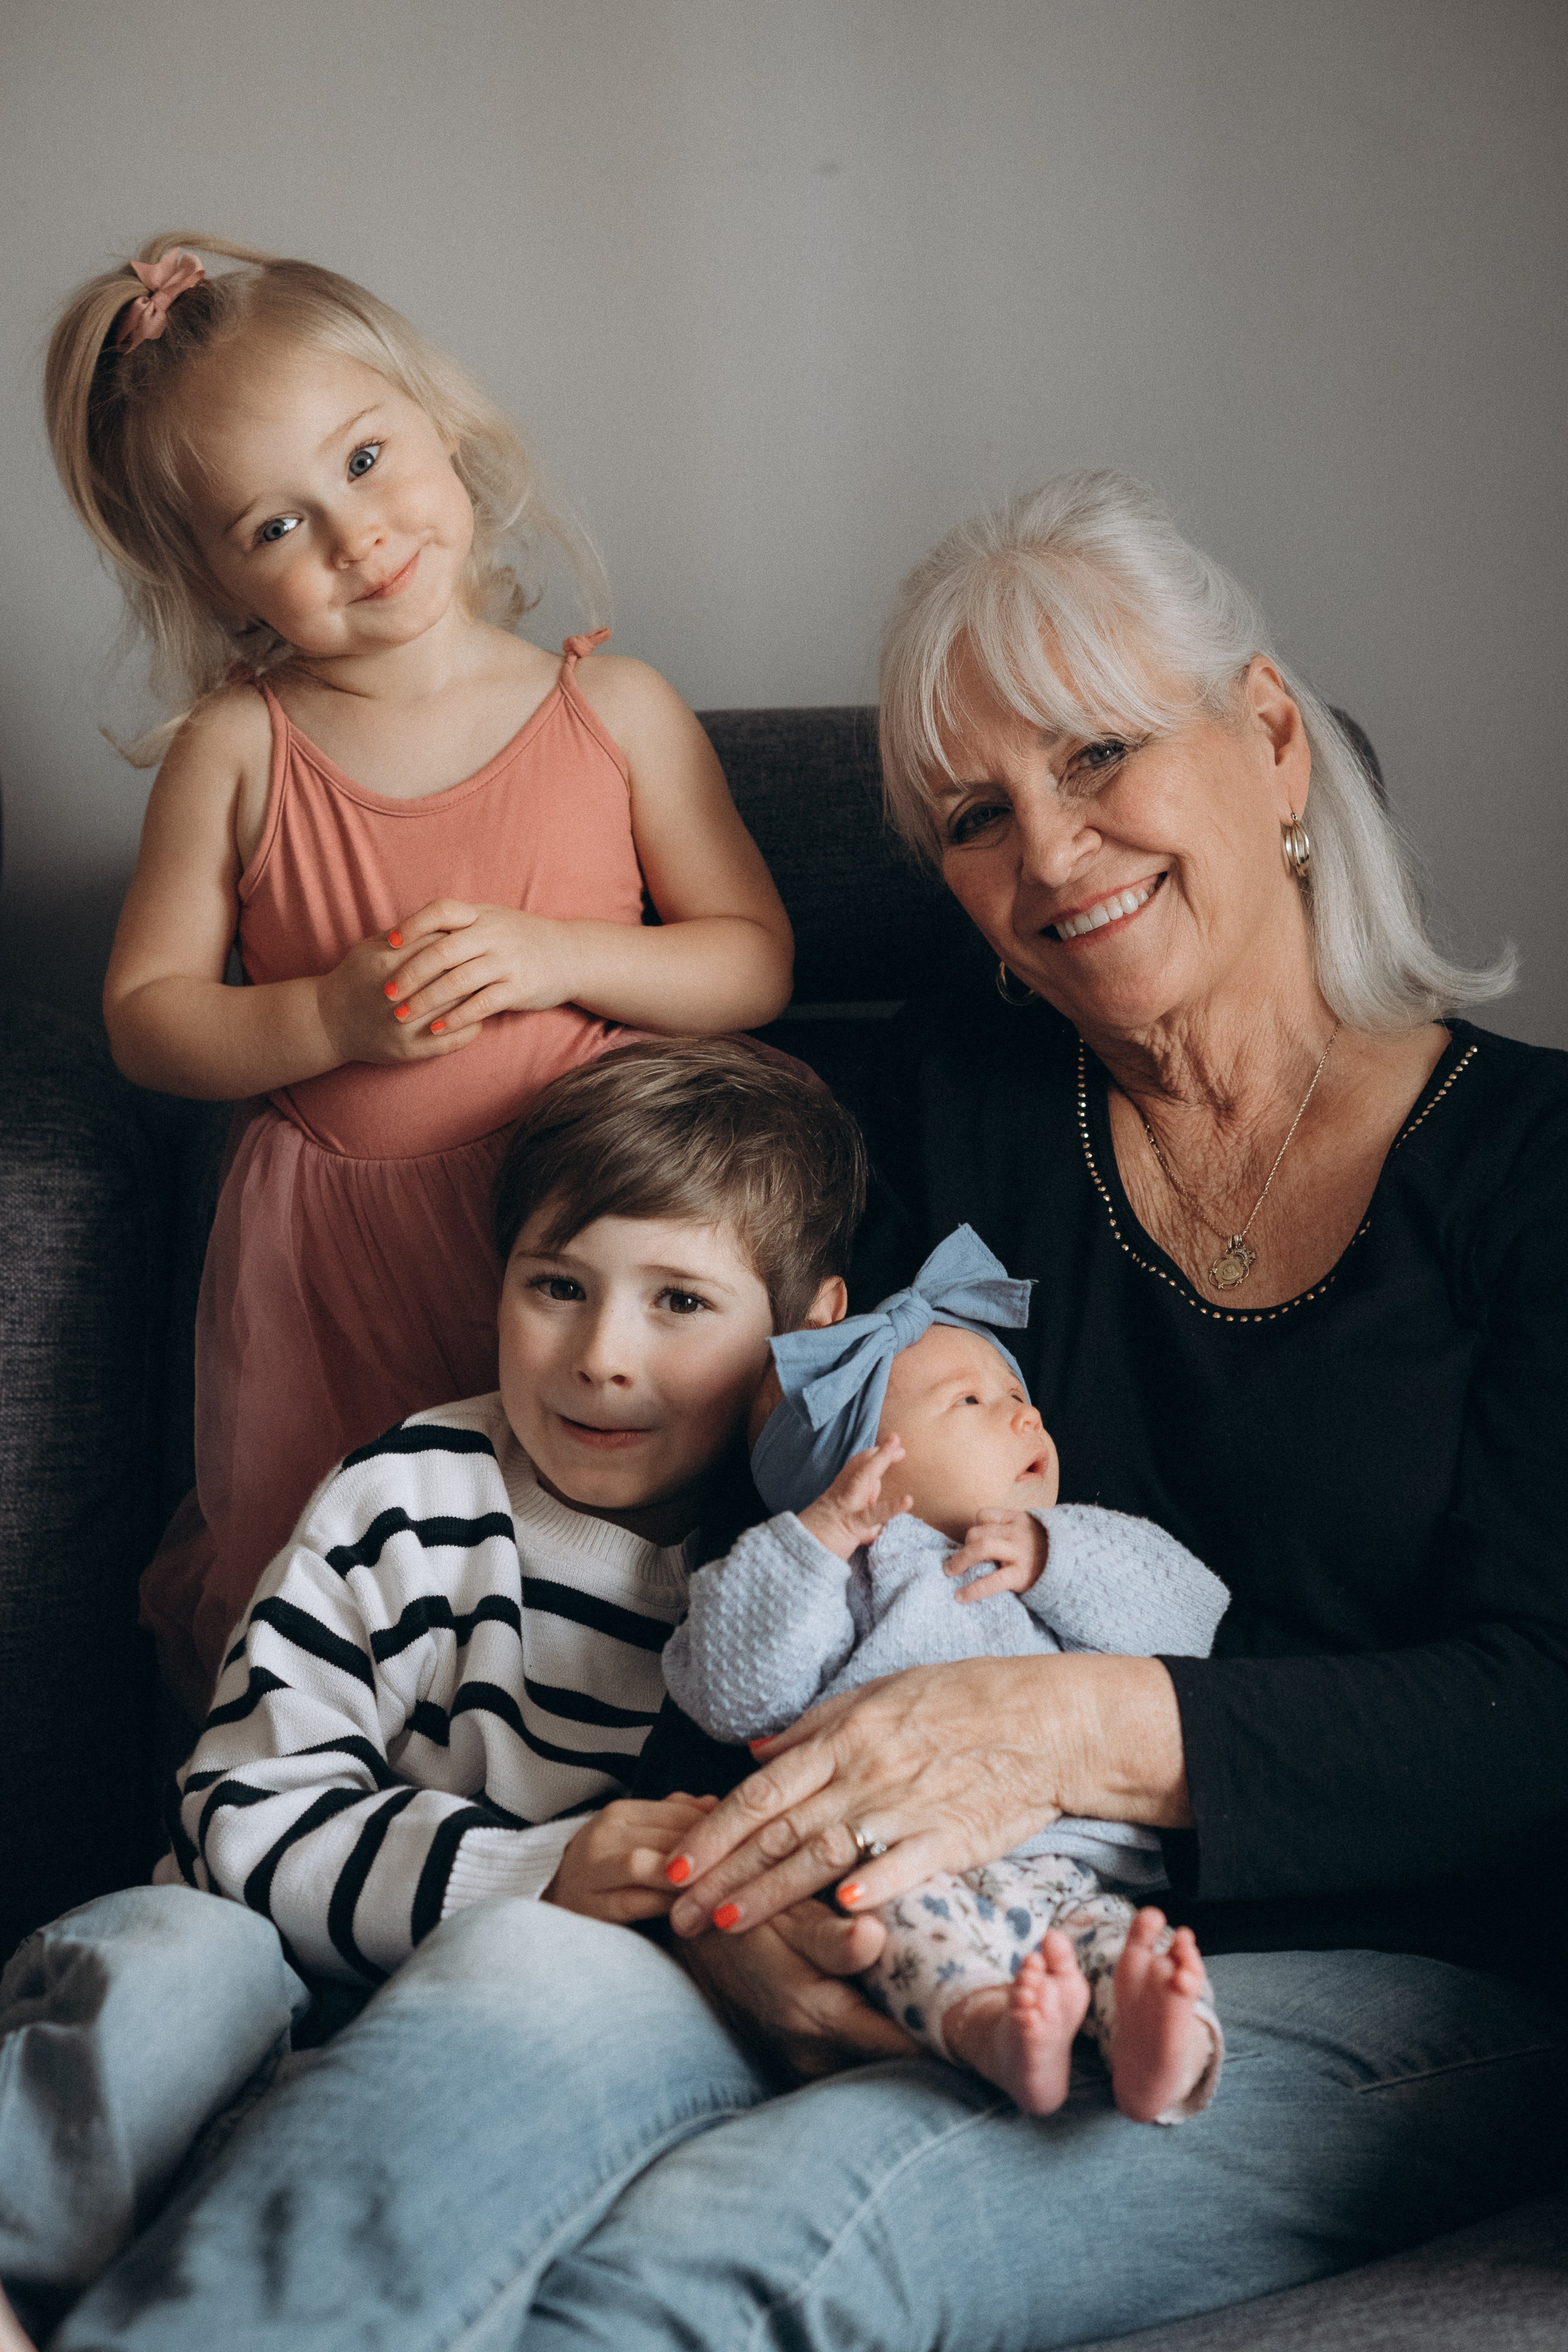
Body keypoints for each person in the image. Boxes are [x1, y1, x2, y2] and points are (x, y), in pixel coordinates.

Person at [31, 473, 1568, 2352]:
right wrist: (737, 1894)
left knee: (718, 2251)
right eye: (975, 820)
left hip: (1389, 1973)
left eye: (1101, 752)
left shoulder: (1533, 1170)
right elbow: (774, 1515)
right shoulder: (963, 1107)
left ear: (1267, 738)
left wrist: (1079, 1722)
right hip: (901, 1897)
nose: (1055, 854)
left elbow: (1540, 1706)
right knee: (518, 1990)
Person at [0, 1039, 866, 2336]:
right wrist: (530, 1873)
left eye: (679, 1303)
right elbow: (237, 1813)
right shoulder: (410, 1495)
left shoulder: (801, 1566)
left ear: (806, 1334)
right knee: (176, 1963)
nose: (601, 1355)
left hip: (482, 2080)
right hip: (276, 1956)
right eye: (557, 1287)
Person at [43, 236, 794, 1717]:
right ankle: (334, 1863)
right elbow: (145, 1017)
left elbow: (752, 962)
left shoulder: (615, 710)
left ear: (442, 425)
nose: (356, 536)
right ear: (209, 574)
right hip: (335, 1263)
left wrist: (558, 956)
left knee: (605, 1583)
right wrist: (323, 1015)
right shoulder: (237, 749)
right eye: (275, 525)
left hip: (589, 1229)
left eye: (369, 458)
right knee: (351, 1607)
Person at [664, 1224, 1228, 2121]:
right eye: (970, 1401)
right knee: (901, 1934)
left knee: (1129, 1948)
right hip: (894, 1857)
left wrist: (1056, 1556)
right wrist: (815, 1543)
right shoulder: (836, 1577)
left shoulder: (1062, 1549)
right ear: (862, 1471)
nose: (1024, 1415)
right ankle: (996, 2033)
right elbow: (734, 1692)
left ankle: (1163, 2047)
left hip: (1064, 1871)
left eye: (1018, 1393)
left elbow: (1190, 1624)